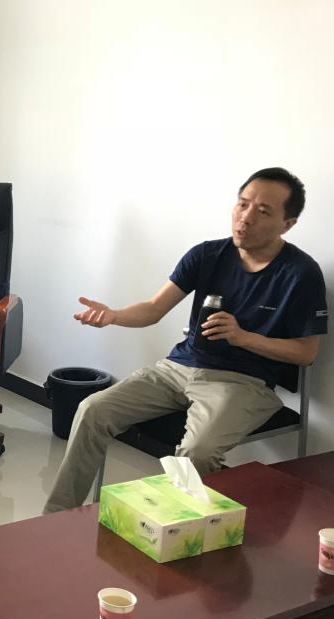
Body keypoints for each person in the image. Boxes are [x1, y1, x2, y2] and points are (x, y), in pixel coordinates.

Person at [45, 167, 327, 513]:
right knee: (92, 410)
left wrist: (243, 338)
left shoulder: (300, 273)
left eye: (263, 211)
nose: (246, 217)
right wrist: (114, 315)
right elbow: (153, 309)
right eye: (242, 204)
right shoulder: (206, 255)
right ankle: (56, 517)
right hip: (177, 368)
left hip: (243, 383)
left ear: (288, 223)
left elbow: (306, 353)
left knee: (197, 454)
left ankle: (179, 534)